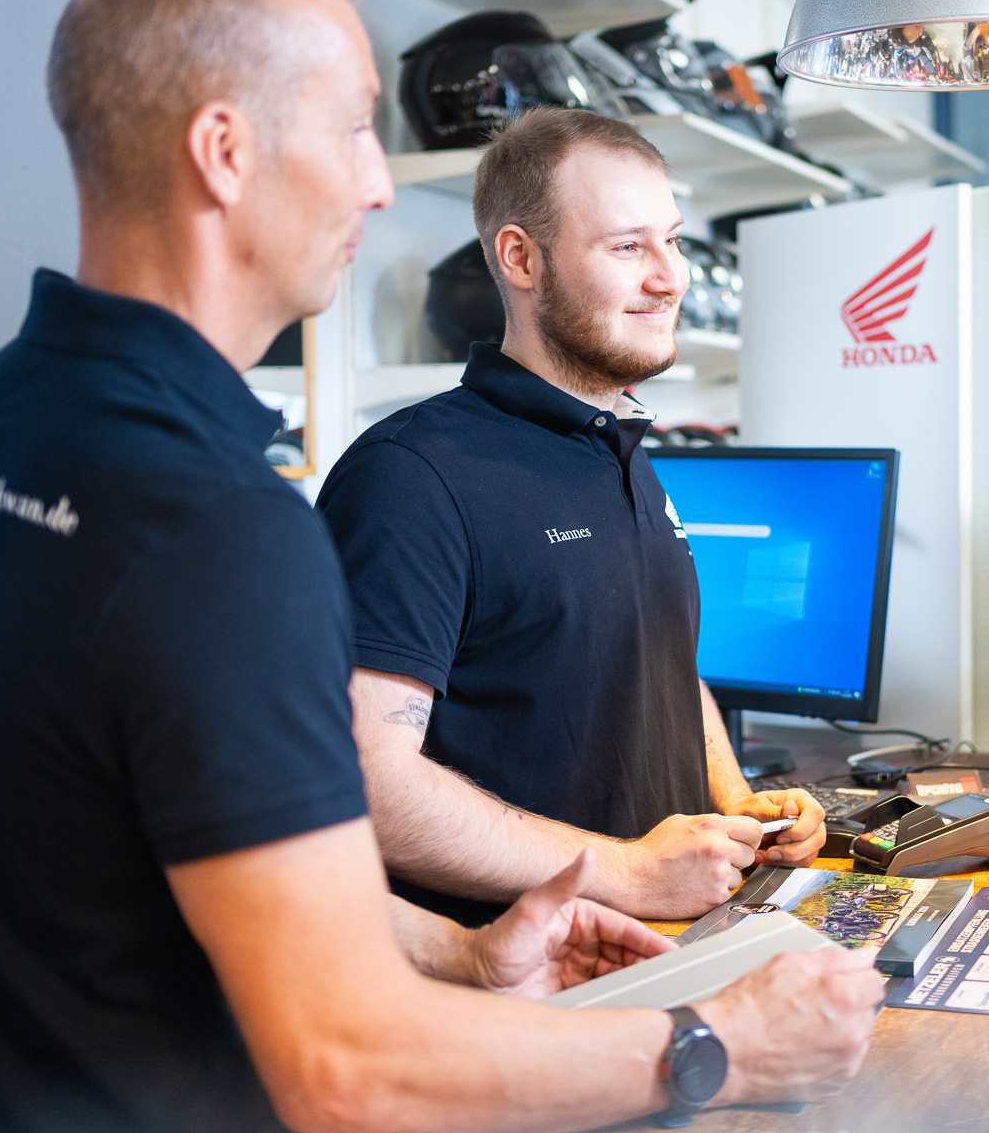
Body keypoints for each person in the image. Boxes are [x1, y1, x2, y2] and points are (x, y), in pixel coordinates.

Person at [0, 0, 881, 1133]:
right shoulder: (215, 524)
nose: (380, 181)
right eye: (353, 125)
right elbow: (345, 1063)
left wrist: (467, 955)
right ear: (224, 152)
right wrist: (721, 1048)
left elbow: (194, 858)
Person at [314, 108, 829, 926]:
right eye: (628, 247)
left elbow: (654, 657)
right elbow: (363, 778)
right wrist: (621, 872)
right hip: (515, 989)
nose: (670, 277)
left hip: (668, 938)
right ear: (521, 257)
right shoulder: (412, 476)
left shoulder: (619, 445)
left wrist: (737, 801)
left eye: (673, 240)